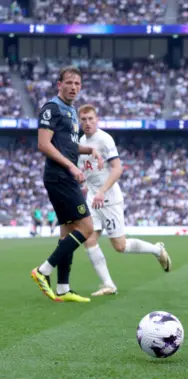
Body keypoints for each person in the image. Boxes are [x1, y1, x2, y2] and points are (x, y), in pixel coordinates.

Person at [77, 104, 172, 296]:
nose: (87, 123)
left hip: (108, 198)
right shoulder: (81, 142)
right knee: (89, 239)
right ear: (80, 122)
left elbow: (118, 168)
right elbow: (88, 174)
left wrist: (102, 192)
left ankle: (156, 249)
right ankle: (108, 285)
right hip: (92, 199)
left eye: (91, 119)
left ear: (97, 120)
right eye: (84, 119)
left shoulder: (104, 139)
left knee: (120, 246)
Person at [30, 66, 102, 303]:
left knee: (68, 232)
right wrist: (71, 166)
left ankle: (62, 288)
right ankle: (43, 270)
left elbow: (68, 146)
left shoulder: (70, 111)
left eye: (77, 84)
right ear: (59, 84)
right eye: (69, 83)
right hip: (59, 176)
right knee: (87, 228)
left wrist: (89, 149)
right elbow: (44, 144)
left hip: (65, 176)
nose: (73, 87)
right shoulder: (52, 108)